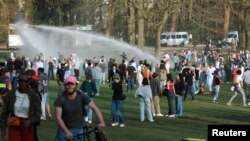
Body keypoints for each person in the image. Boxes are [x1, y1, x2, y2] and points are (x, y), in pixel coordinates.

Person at [54, 75, 105, 141]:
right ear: (65, 86)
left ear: (76, 85)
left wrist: (101, 122)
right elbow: (58, 117)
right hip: (63, 130)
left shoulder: (82, 96)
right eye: (68, 84)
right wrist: (66, 132)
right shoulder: (61, 98)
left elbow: (95, 108)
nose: (70, 86)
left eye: (72, 84)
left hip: (78, 130)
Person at [0, 74, 41, 141]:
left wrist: (30, 120)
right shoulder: (11, 94)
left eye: (25, 81)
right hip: (14, 123)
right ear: (18, 81)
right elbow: (5, 112)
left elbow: (38, 113)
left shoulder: (34, 96)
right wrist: (3, 128)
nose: (23, 83)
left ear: (28, 82)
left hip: (27, 125)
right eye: (21, 81)